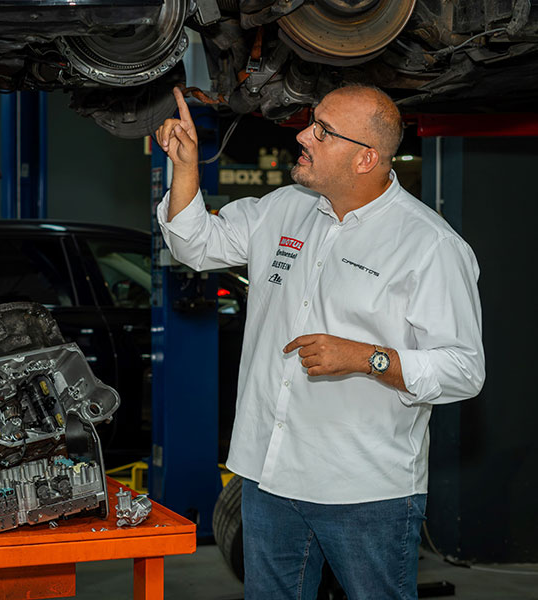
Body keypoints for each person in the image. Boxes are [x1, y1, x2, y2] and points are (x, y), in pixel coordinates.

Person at [155, 85, 485, 599]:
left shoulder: (430, 246)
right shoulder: (286, 208)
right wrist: (186, 164)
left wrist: (365, 357)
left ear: (365, 158)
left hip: (363, 487)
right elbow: (193, 243)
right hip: (268, 472)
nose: (304, 134)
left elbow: (463, 369)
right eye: (313, 121)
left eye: (323, 130)